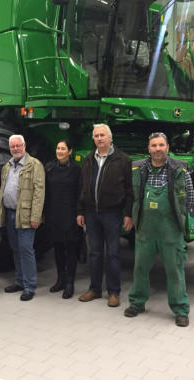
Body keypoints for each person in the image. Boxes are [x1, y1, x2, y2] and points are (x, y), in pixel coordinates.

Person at [124, 132, 194, 327]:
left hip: (170, 230)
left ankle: (181, 309)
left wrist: (182, 221)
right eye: (154, 145)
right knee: (140, 268)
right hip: (145, 229)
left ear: (167, 148)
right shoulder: (138, 169)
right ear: (148, 148)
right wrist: (129, 216)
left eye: (161, 145)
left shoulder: (179, 170)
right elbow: (131, 195)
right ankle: (137, 303)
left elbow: (190, 198)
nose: (157, 149)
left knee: (175, 270)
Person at [77, 124, 133, 308]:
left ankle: (114, 292)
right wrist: (80, 211)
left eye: (102, 135)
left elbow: (129, 190)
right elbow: (82, 188)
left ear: (110, 138)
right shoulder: (88, 160)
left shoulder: (123, 159)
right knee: (95, 253)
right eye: (96, 135)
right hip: (91, 213)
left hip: (112, 213)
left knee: (113, 254)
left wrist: (128, 214)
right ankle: (94, 289)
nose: (99, 138)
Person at [0, 135, 45, 301]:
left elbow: (39, 193)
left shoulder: (35, 165)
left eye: (18, 145)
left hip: (26, 215)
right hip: (10, 213)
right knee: (16, 248)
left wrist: (36, 216)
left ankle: (29, 286)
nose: (16, 149)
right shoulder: (7, 166)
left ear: (24, 146)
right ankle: (19, 281)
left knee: (26, 250)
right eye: (13, 146)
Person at [44, 139, 82, 299]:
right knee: (58, 248)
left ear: (70, 151)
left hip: (71, 214)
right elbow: (45, 193)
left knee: (71, 249)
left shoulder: (76, 170)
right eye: (58, 148)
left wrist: (80, 213)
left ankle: (70, 283)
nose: (60, 151)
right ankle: (60, 279)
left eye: (63, 148)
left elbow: (80, 193)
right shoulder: (50, 168)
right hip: (54, 214)